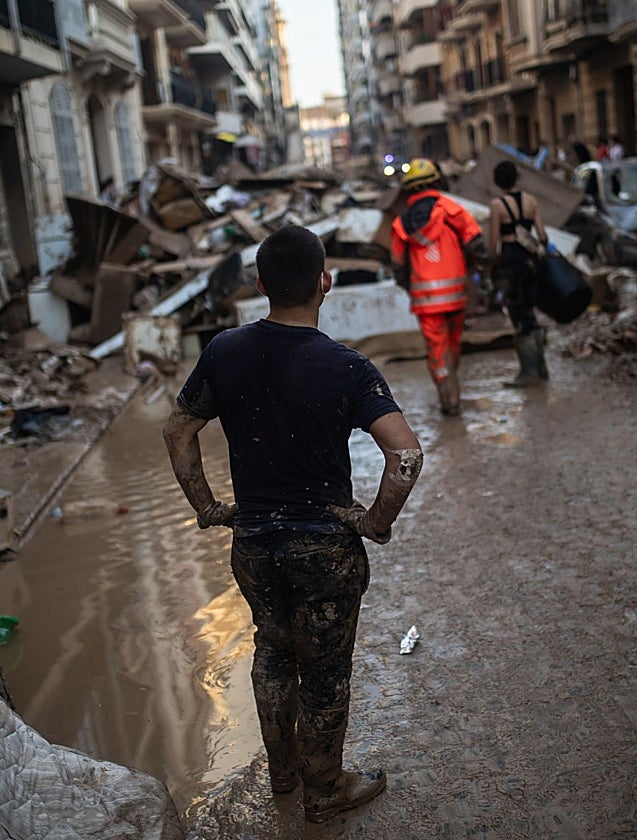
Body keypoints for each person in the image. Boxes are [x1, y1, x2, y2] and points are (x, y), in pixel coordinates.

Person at [163, 225, 423, 825]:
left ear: (259, 286)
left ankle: (282, 774)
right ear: (324, 283)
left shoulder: (224, 350)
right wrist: (375, 521)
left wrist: (208, 507)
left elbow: (178, 430)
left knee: (273, 654)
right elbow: (406, 455)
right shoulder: (348, 367)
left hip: (254, 544)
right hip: (323, 550)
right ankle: (325, 789)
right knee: (326, 673)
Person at [390, 158, 487, 416]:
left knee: (436, 349)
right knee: (453, 344)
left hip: (425, 300)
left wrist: (411, 287)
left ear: (408, 189)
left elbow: (397, 265)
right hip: (456, 297)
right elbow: (478, 244)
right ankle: (453, 389)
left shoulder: (401, 224)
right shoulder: (450, 209)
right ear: (436, 182)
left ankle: (448, 400)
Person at [488, 161, 550, 388]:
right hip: (530, 261)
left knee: (518, 315)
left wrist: (493, 268)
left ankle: (528, 372)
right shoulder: (531, 201)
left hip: (510, 262)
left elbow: (493, 242)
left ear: (497, 181)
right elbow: (542, 236)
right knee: (531, 313)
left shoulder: (498, 205)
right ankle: (541, 369)